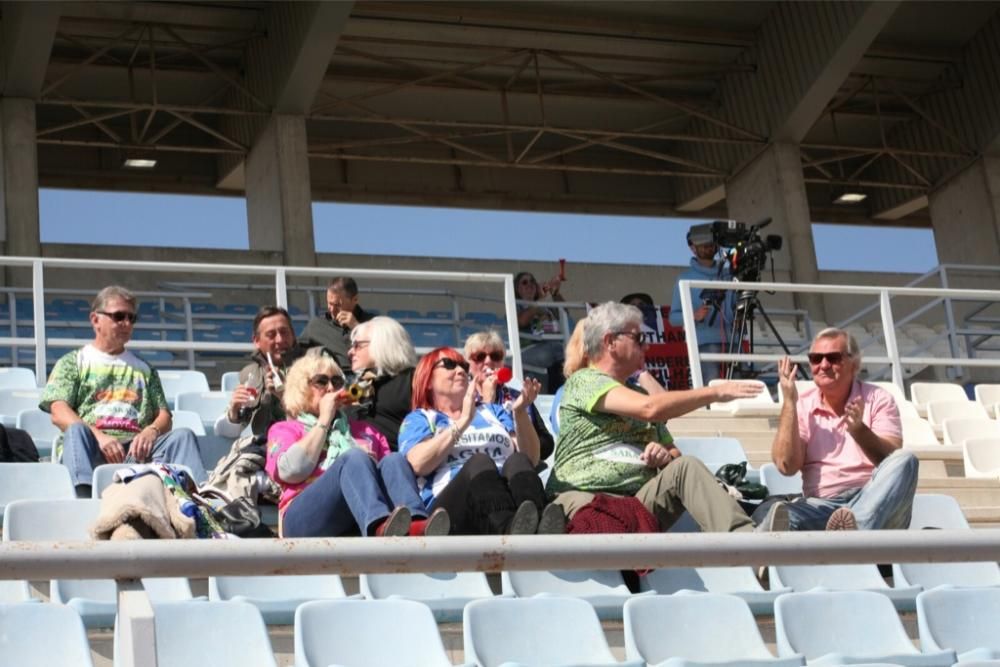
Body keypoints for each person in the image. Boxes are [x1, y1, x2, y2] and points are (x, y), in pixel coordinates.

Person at [546, 301, 762, 533]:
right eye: (639, 339)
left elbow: (673, 454)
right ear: (610, 342)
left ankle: (751, 545)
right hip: (585, 498)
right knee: (599, 517)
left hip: (638, 504)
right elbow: (651, 408)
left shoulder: (639, 394)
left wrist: (664, 458)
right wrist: (715, 392)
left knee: (685, 467)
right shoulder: (583, 381)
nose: (646, 347)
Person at [40, 285, 207, 497]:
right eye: (119, 316)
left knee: (183, 436)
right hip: (93, 448)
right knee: (76, 431)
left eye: (131, 318)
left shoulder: (145, 369)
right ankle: (82, 500)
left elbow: (164, 415)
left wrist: (151, 431)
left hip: (138, 451)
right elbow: (58, 411)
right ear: (95, 320)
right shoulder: (73, 362)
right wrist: (100, 437)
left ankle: (203, 502)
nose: (126, 323)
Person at [265, 349, 449, 538]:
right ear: (300, 388)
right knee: (353, 458)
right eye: (321, 381)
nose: (331, 388)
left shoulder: (367, 432)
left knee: (394, 460)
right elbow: (291, 471)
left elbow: (390, 478)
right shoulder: (285, 429)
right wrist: (324, 421)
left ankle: (416, 524)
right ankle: (377, 526)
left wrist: (367, 466)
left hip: (354, 516)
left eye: (337, 382)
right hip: (303, 519)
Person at [759, 327, 919, 531]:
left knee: (906, 460)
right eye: (816, 358)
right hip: (822, 506)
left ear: (854, 364)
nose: (824, 365)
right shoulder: (802, 405)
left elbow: (889, 460)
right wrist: (789, 402)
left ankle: (855, 531)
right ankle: (852, 533)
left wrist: (860, 431)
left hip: (874, 498)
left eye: (833, 358)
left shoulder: (878, 399)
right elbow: (786, 466)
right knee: (780, 519)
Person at [398, 347, 564, 535]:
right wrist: (463, 421)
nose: (460, 370)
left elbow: (531, 458)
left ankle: (541, 525)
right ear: (427, 379)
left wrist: (520, 414)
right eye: (450, 365)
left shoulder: (492, 411)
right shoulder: (420, 418)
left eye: (462, 365)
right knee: (480, 461)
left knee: (517, 461)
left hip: (506, 498)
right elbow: (418, 464)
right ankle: (507, 530)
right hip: (451, 512)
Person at [463, 330, 553, 462]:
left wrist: (521, 427)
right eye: (480, 356)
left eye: (495, 356)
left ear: (502, 362)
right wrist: (488, 403)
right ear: (468, 365)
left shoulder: (517, 396)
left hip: (515, 466)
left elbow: (546, 444)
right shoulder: (461, 397)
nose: (488, 361)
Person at [215, 305, 303, 438]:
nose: (279, 340)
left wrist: (284, 397)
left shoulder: (311, 368)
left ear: (293, 335)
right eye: (271, 335)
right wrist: (234, 413)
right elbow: (223, 432)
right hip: (261, 450)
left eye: (284, 332)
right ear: (256, 341)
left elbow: (321, 422)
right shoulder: (251, 374)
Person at [669, 225, 736, 383]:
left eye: (711, 243)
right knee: (710, 387)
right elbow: (673, 317)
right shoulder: (684, 278)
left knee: (739, 386)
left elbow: (736, 306)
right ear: (693, 248)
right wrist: (694, 315)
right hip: (704, 342)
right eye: (703, 244)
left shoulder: (729, 275)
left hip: (733, 340)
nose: (708, 247)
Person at [347, 316, 416, 450]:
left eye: (357, 345)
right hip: (355, 461)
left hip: (397, 463)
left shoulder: (412, 380)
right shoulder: (355, 387)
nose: (350, 352)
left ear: (382, 344)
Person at [298, 277, 373, 369]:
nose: (332, 310)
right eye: (329, 303)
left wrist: (357, 327)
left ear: (355, 300)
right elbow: (296, 354)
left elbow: (386, 352)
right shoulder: (316, 325)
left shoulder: (373, 323)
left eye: (338, 305)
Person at [515, 270, 566, 393]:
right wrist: (539, 302)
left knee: (562, 353)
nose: (530, 284)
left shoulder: (545, 306)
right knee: (558, 352)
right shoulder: (516, 305)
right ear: (517, 289)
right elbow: (521, 321)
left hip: (551, 350)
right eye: (524, 282)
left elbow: (564, 313)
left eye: (532, 281)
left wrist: (555, 293)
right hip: (529, 351)